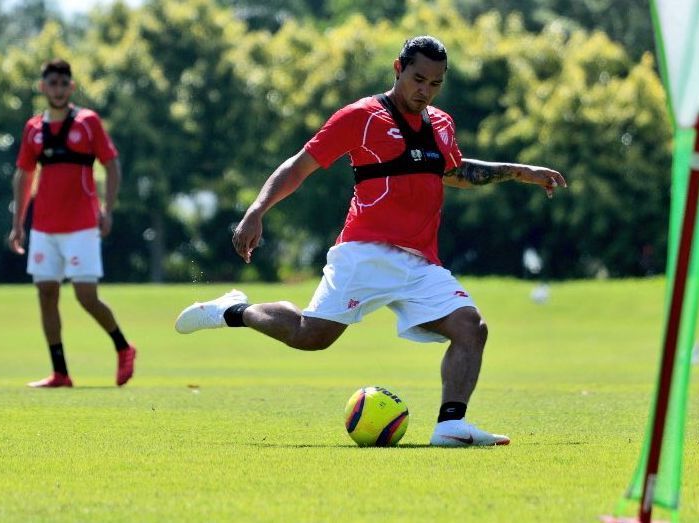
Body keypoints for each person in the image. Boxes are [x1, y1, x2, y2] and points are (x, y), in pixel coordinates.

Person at [175, 36, 566, 446]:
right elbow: (299, 165)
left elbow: (454, 172)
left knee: (470, 327)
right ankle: (233, 310)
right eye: (418, 79)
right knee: (312, 336)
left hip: (419, 262)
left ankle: (451, 425)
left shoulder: (442, 124)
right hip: (364, 252)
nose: (425, 90)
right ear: (398, 68)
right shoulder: (360, 116)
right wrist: (256, 210)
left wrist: (520, 171)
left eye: (435, 83)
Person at [9, 59, 137, 388]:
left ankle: (124, 348)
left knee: (86, 295)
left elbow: (112, 165)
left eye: (64, 83)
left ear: (72, 87)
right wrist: (18, 223)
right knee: (46, 293)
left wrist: (107, 209)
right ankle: (60, 373)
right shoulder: (33, 129)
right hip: (43, 228)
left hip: (81, 224)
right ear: (43, 87)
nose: (58, 88)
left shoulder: (88, 122)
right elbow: (24, 176)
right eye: (52, 82)